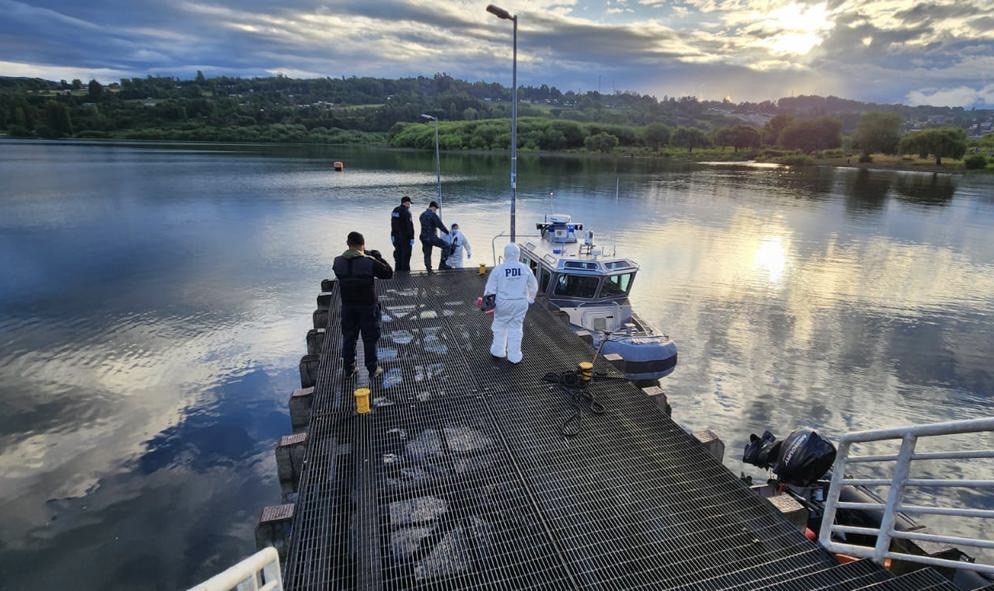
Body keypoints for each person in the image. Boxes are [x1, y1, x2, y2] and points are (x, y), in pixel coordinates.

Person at [332, 231, 393, 378]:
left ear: (348, 244)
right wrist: (377, 256)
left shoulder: (337, 262)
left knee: (349, 337)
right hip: (367, 306)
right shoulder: (369, 261)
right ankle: (372, 369)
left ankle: (349, 368)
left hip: (348, 306)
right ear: (363, 245)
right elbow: (388, 273)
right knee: (370, 337)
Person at [484, 242, 538, 364]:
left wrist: (489, 305)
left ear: (505, 254)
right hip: (520, 303)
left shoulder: (498, 269)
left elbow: (490, 289)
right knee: (516, 328)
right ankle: (514, 356)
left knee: (500, 326)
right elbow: (533, 286)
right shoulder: (525, 268)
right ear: (518, 255)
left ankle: (498, 351)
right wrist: (530, 298)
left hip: (503, 303)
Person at [419, 201, 450, 272]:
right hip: (432, 237)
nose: (435, 210)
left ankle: (428, 269)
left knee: (427, 253)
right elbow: (440, 225)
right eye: (435, 209)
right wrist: (447, 232)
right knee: (446, 246)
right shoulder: (433, 215)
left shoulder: (422, 215)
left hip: (423, 237)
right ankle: (442, 264)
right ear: (433, 207)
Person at [390, 196, 415, 272]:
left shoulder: (395, 210)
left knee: (398, 255)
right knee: (406, 256)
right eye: (409, 203)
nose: (410, 205)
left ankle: (397, 272)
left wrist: (392, 235)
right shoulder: (406, 212)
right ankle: (405, 275)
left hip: (395, 236)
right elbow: (409, 226)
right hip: (405, 237)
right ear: (406, 203)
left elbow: (393, 224)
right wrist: (412, 237)